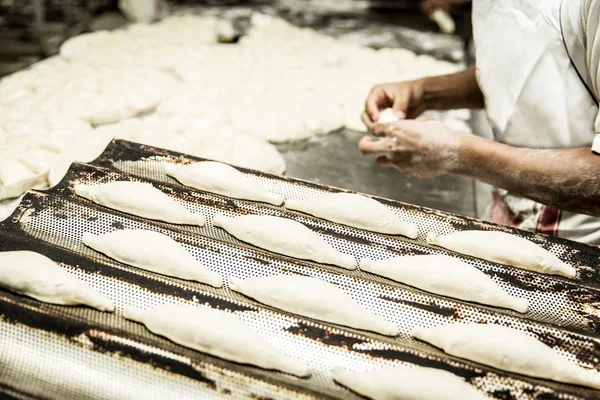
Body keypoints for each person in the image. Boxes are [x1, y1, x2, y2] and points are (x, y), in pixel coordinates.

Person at [361, 0, 600, 244]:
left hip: (583, 249)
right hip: (510, 221)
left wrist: (457, 153)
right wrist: (426, 92)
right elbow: (533, 74)